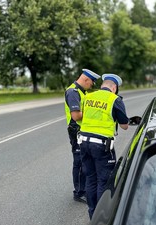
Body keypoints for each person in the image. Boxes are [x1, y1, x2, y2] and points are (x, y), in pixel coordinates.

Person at [78, 74, 129, 219]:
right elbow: (124, 125)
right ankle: (101, 218)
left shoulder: (88, 97)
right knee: (103, 181)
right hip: (101, 146)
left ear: (102, 85)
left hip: (84, 142)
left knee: (90, 178)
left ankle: (92, 214)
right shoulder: (115, 99)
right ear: (114, 88)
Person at [64, 68, 101, 203]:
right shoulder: (73, 92)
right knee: (79, 162)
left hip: (81, 131)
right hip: (76, 131)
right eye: (91, 82)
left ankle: (85, 188)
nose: (91, 85)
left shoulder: (81, 92)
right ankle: (79, 192)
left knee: (84, 161)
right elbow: (76, 115)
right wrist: (92, 113)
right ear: (86, 79)